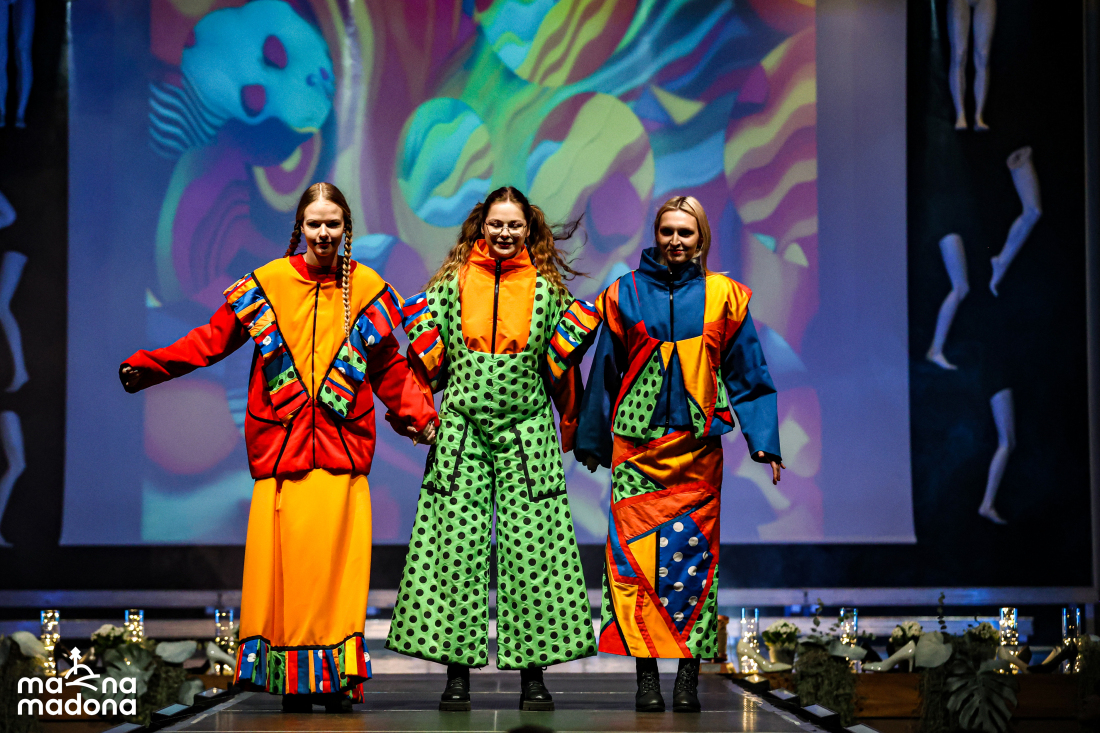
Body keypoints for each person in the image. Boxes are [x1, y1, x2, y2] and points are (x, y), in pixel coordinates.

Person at [120, 182, 437, 713]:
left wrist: (423, 419)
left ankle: (337, 680)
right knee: (288, 578)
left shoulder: (366, 289)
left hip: (340, 456)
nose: (323, 233)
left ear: (347, 228)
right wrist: (150, 366)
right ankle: (295, 680)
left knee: (337, 576)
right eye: (315, 223)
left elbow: (388, 369)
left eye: (333, 223)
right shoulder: (267, 285)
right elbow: (210, 340)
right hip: (283, 455)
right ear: (300, 226)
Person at [386, 186, 601, 711]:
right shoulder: (450, 287)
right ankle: (456, 674)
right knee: (453, 549)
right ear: (481, 226)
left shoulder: (548, 294)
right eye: (496, 223)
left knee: (535, 554)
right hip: (462, 435)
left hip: (528, 436)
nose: (505, 232)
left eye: (514, 225)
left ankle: (534, 676)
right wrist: (418, 417)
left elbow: (563, 374)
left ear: (529, 229)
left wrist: (576, 429)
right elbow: (419, 367)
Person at [576, 196, 783, 713]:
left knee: (694, 565)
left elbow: (749, 373)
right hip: (636, 452)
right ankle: (646, 680)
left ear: (701, 238)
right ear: (656, 234)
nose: (675, 241)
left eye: (685, 232)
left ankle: (687, 680)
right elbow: (605, 370)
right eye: (667, 231)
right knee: (634, 566)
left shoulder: (725, 297)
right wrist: (593, 439)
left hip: (697, 453)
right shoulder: (625, 293)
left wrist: (764, 441)